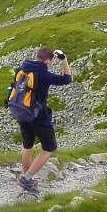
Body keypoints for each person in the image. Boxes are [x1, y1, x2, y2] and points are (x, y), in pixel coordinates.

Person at [14, 46, 73, 193]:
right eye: (51, 61)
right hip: (38, 117)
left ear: (37, 56)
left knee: (27, 146)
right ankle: (27, 179)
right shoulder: (44, 73)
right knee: (49, 148)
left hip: (21, 112)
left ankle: (27, 178)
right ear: (48, 60)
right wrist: (64, 60)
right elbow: (67, 79)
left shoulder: (23, 67)